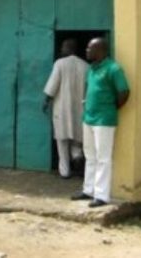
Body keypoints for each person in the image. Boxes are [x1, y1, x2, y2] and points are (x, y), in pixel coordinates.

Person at [71, 38, 129, 208]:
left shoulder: (113, 69)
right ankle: (88, 190)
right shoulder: (91, 69)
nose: (87, 50)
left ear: (101, 50)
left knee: (103, 157)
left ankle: (101, 195)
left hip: (104, 119)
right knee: (90, 155)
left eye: (90, 47)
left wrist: (110, 107)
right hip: (88, 118)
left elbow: (124, 92)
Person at [43, 39, 89, 179]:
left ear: (68, 48)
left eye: (63, 47)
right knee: (77, 140)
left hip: (62, 109)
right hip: (80, 109)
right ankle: (77, 156)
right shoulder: (86, 66)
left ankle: (65, 171)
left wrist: (46, 100)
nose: (61, 50)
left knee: (62, 141)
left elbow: (53, 85)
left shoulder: (60, 63)